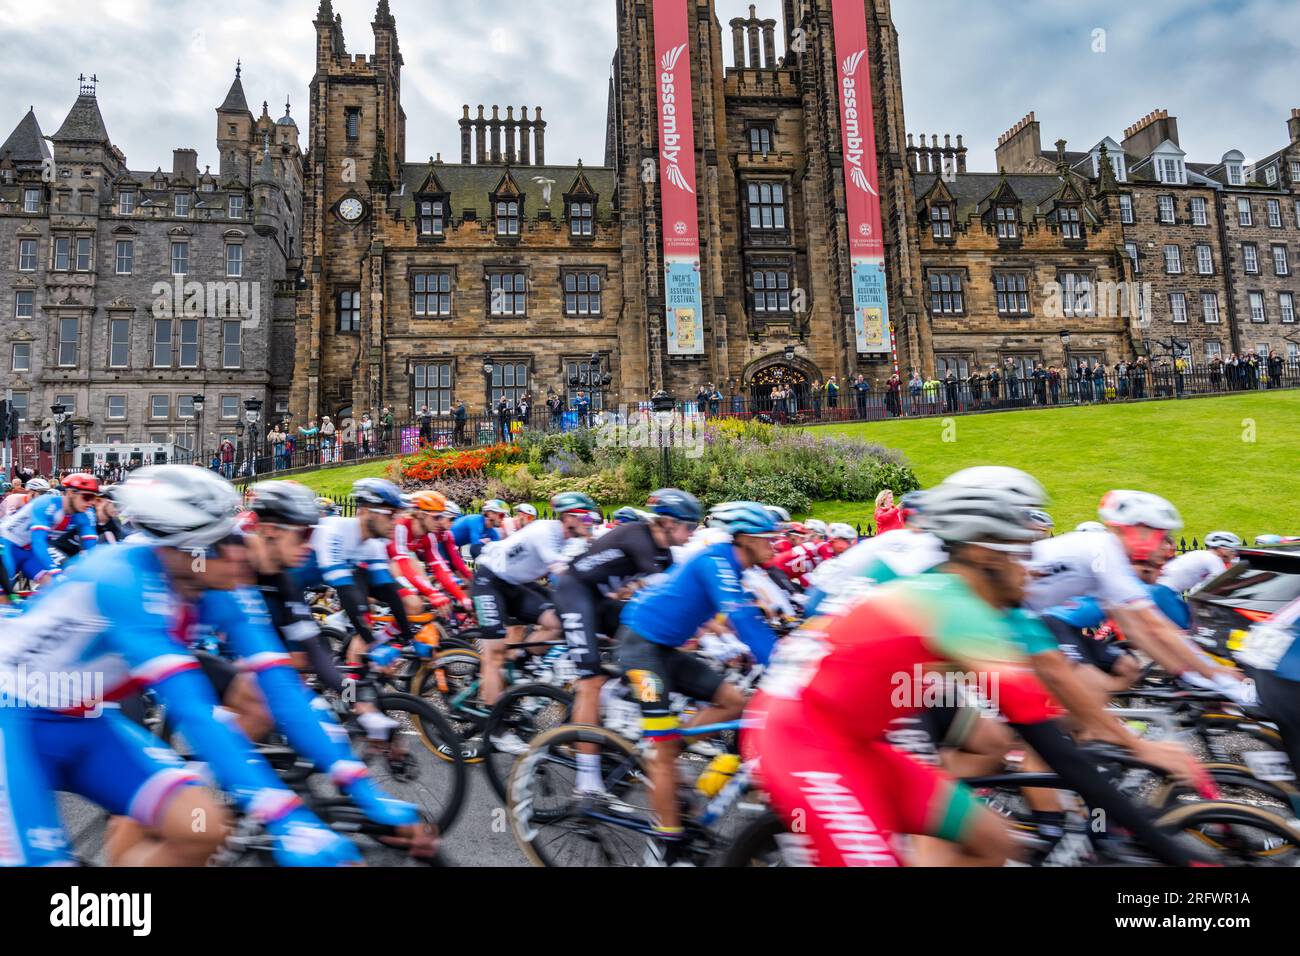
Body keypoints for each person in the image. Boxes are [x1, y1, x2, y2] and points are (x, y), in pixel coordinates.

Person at [0, 466, 424, 867]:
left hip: (86, 719)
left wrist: (362, 789)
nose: (240, 551)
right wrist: (285, 818)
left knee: (202, 827)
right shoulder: (121, 579)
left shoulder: (220, 583)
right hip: (13, 723)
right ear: (189, 551)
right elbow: (195, 712)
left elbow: (282, 689)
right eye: (227, 542)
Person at [554, 489, 701, 788]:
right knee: (590, 681)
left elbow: (677, 593)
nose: (693, 534)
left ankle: (612, 700)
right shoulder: (638, 537)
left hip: (599, 599)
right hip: (573, 593)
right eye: (691, 527)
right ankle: (587, 782)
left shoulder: (665, 552)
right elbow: (665, 594)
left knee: (641, 646)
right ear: (669, 522)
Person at [472, 492, 601, 715]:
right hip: (489, 580)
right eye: (588, 519)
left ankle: (522, 661)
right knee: (495, 654)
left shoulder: (571, 541)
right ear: (570, 518)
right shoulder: (545, 531)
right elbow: (562, 577)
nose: (591, 525)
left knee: (555, 622)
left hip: (515, 584)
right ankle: (494, 728)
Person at [0, 472, 99, 588]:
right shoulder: (47, 503)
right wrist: (55, 571)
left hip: (29, 552)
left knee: (56, 587)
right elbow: (39, 542)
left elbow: (91, 547)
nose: (91, 503)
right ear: (70, 493)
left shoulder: (85, 514)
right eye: (87, 497)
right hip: (7, 544)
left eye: (94, 498)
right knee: (4, 595)